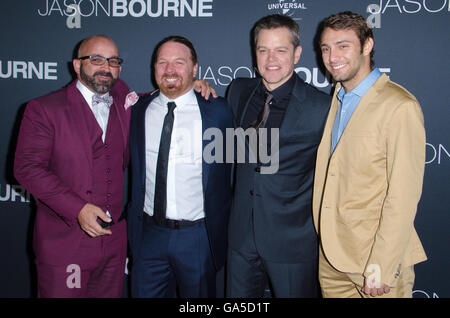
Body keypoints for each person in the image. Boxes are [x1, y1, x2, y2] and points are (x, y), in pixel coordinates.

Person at [313, 11, 427, 298]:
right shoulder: (338, 96)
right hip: (332, 258)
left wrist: (381, 266)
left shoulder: (399, 106)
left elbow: (403, 196)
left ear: (367, 46)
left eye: (343, 46)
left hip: (372, 263)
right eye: (326, 48)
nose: (332, 56)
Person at [14, 35, 131, 297]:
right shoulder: (44, 109)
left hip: (114, 244)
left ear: (119, 69)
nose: (105, 67)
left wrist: (194, 83)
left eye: (112, 61)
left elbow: (159, 97)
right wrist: (77, 208)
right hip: (67, 243)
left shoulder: (123, 95)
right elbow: (26, 167)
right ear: (77, 65)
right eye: (96, 59)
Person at [226, 14, 331, 297]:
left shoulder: (322, 106)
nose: (270, 58)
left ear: (297, 53)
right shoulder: (238, 91)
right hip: (241, 239)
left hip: (293, 242)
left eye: (281, 50)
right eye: (263, 50)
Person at [127, 35, 233, 298]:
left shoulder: (219, 112)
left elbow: (234, 167)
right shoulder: (139, 109)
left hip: (196, 237)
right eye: (162, 62)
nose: (170, 70)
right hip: (148, 234)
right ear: (153, 69)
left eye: (179, 62)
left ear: (195, 68)